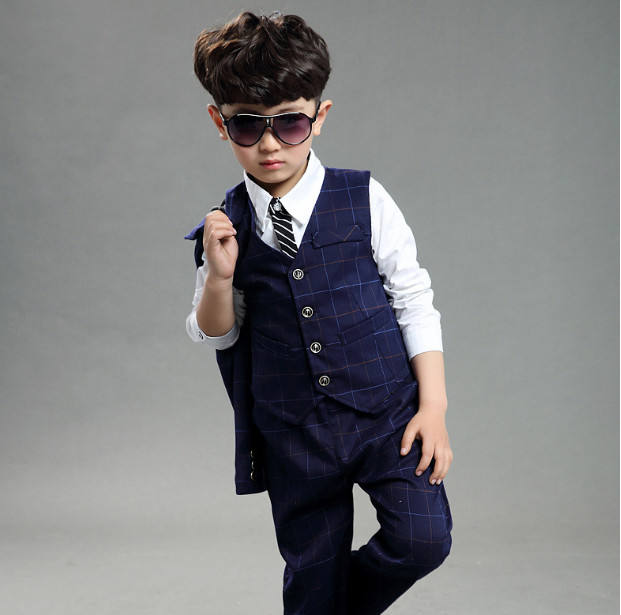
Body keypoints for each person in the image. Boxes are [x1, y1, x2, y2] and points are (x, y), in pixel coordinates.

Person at [184, 10, 453, 614]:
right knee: (312, 568)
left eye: (290, 122)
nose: (270, 144)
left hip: (386, 416)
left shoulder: (364, 198)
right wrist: (220, 277)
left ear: (319, 116)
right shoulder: (225, 227)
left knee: (423, 539)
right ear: (220, 123)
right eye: (247, 126)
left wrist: (433, 406)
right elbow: (216, 333)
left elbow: (413, 297)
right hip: (292, 430)